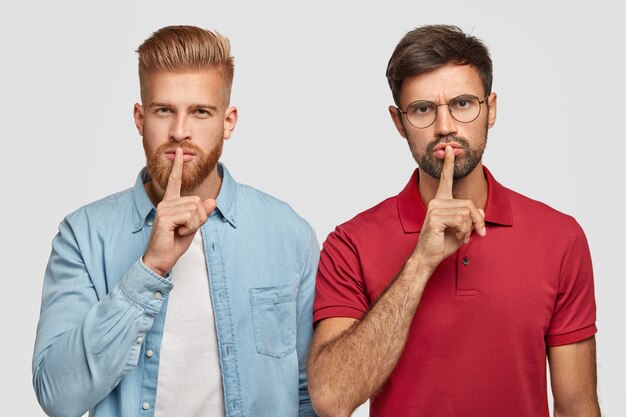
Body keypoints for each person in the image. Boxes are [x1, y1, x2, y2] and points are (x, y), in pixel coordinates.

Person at [308, 24, 599, 417]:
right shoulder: (350, 243)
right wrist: (420, 262)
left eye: (462, 104)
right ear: (399, 122)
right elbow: (331, 399)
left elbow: (577, 407)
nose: (445, 126)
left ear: (490, 109)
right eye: (423, 109)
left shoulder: (560, 238)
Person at [33, 25, 318, 417]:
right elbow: (57, 396)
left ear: (228, 121)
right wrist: (151, 267)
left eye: (200, 112)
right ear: (139, 117)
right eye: (164, 110)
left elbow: (307, 395)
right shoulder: (83, 236)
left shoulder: (288, 235)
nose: (180, 132)